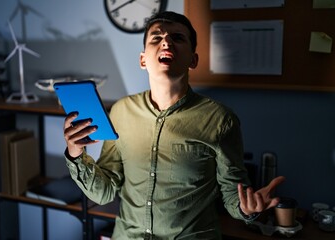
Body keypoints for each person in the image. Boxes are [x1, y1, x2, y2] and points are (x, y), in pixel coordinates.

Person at [62, 11, 285, 239]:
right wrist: (76, 154)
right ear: (142, 59)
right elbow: (104, 192)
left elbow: (232, 195)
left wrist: (247, 209)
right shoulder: (121, 111)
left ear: (193, 60)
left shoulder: (220, 120)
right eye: (156, 38)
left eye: (177, 38)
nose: (166, 42)